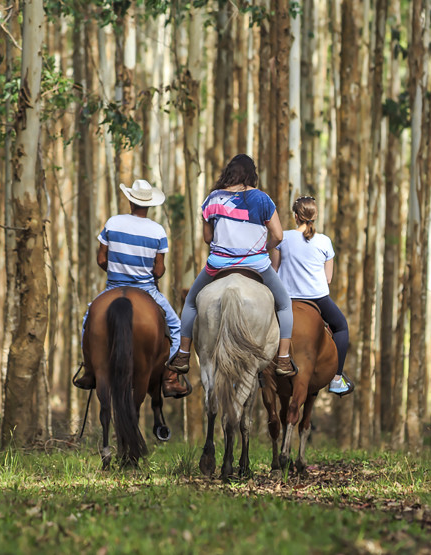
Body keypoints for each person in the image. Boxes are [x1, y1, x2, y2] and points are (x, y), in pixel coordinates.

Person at [167, 154, 296, 376]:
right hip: (256, 264)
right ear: (251, 175)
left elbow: (208, 238)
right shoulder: (263, 199)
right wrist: (265, 247)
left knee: (190, 302)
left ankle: (183, 353)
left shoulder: (213, 199)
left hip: (218, 263)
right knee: (285, 304)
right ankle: (283, 359)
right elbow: (279, 235)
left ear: (229, 173)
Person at [74, 179, 188, 398]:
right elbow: (159, 269)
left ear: (130, 201)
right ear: (149, 204)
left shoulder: (113, 223)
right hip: (147, 290)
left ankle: (89, 370)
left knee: (88, 319)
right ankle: (170, 377)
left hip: (113, 286)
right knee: (176, 327)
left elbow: (101, 259)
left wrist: (116, 269)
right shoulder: (158, 230)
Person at [270, 196, 354, 396]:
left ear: (296, 216)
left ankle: (251, 372)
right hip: (318, 298)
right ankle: (336, 379)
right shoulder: (325, 241)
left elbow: (273, 270)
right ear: (314, 216)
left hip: (286, 299)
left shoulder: (283, 238)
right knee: (341, 327)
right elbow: (328, 279)